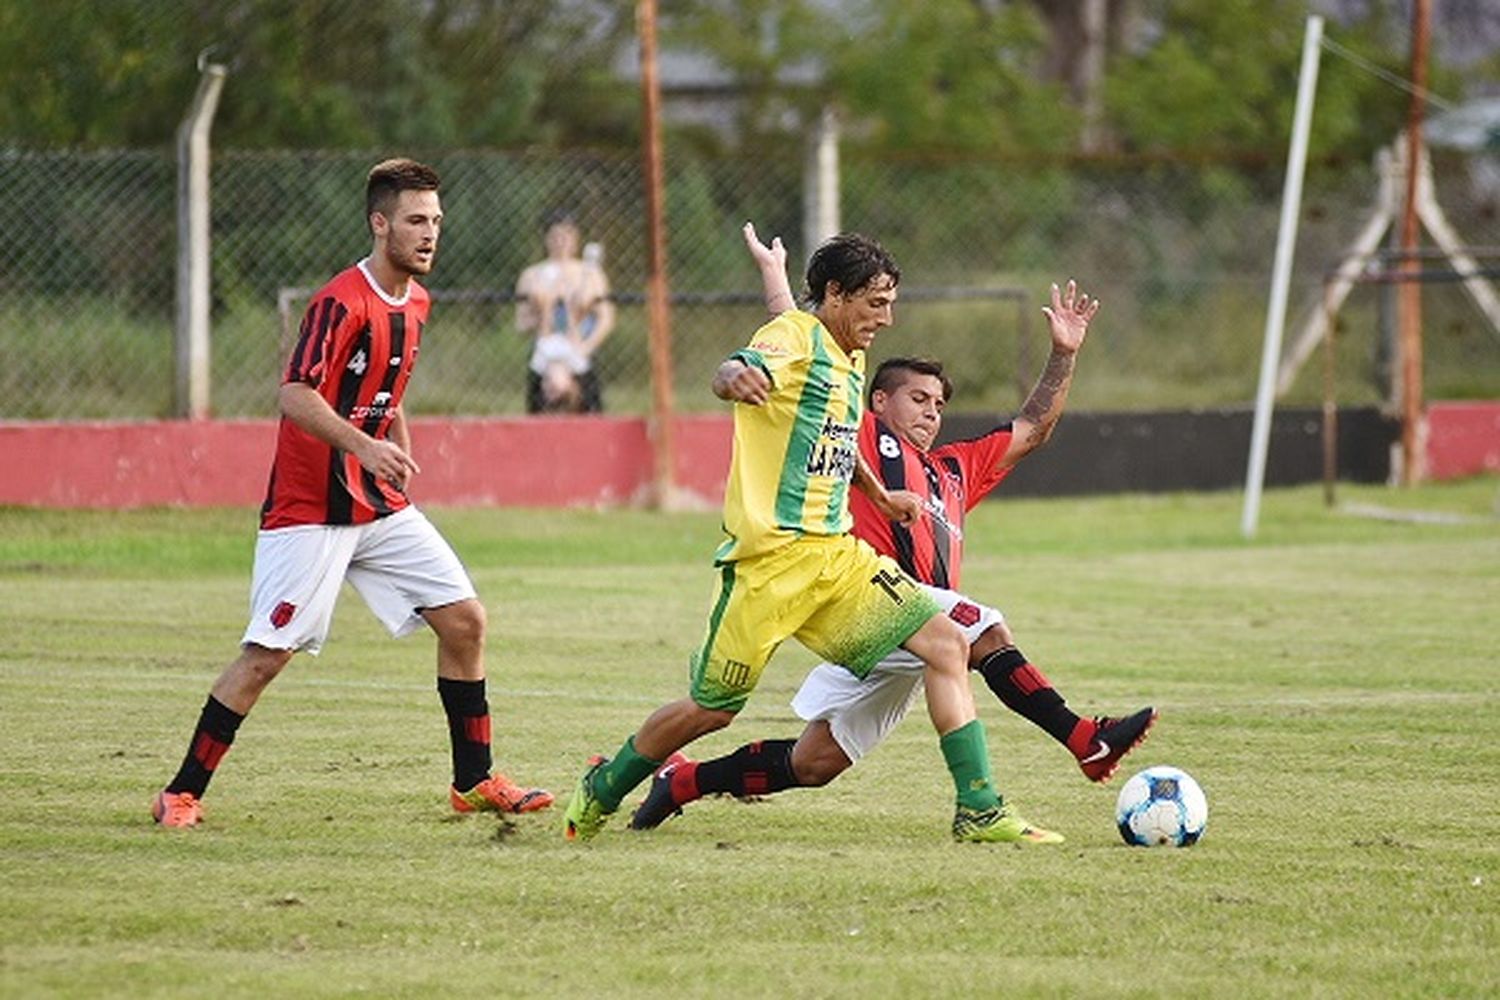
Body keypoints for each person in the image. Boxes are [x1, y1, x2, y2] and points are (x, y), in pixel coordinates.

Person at [627, 223, 1155, 832]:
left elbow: (1033, 429)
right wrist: (776, 283)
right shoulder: (860, 432)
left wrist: (1063, 354)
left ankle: (684, 779)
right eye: (917, 398)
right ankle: (1083, 739)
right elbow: (803, 351)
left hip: (897, 631)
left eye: (939, 402)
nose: (931, 410)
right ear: (877, 403)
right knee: (979, 625)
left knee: (815, 762)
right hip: (870, 601)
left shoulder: (955, 469)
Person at [150, 158, 552, 828]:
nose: (430, 234)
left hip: (380, 506)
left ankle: (473, 781)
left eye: (437, 221)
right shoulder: (340, 301)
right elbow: (295, 393)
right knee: (267, 656)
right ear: (379, 223)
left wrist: (398, 443)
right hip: (310, 509)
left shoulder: (417, 302)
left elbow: (387, 390)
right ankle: (181, 791)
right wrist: (363, 446)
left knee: (465, 621)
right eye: (416, 221)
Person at [514, 211, 615, 413]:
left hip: (581, 348)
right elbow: (521, 322)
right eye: (556, 236)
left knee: (589, 408)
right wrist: (543, 312)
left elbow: (606, 318)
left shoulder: (590, 274)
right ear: (547, 239)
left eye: (567, 235)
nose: (561, 241)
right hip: (545, 353)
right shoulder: (532, 275)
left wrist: (585, 348)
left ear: (576, 239)